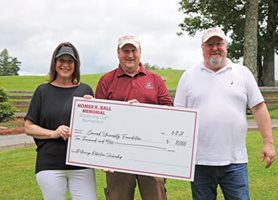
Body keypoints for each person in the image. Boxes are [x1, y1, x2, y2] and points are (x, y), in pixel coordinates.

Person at [174, 27, 276, 200]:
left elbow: (259, 107)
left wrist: (269, 143)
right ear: (202, 48)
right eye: (210, 44)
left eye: (219, 43)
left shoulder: (242, 73)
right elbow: (178, 116)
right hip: (200, 162)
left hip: (235, 161)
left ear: (226, 46)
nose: (215, 48)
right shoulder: (188, 76)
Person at [95, 35, 173, 200]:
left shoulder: (155, 80)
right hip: (117, 152)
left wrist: (144, 110)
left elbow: (169, 111)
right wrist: (101, 157)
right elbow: (98, 119)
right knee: (118, 196)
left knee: (156, 195)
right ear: (118, 53)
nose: (129, 55)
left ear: (140, 52)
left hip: (151, 150)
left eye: (133, 50)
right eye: (125, 51)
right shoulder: (106, 80)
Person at [24, 42, 97, 200]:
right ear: (54, 63)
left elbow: (96, 127)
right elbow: (28, 127)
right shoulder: (42, 91)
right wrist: (53, 133)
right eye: (61, 60)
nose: (65, 65)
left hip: (81, 164)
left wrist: (93, 107)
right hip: (50, 164)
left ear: (76, 64)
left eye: (70, 61)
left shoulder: (85, 90)